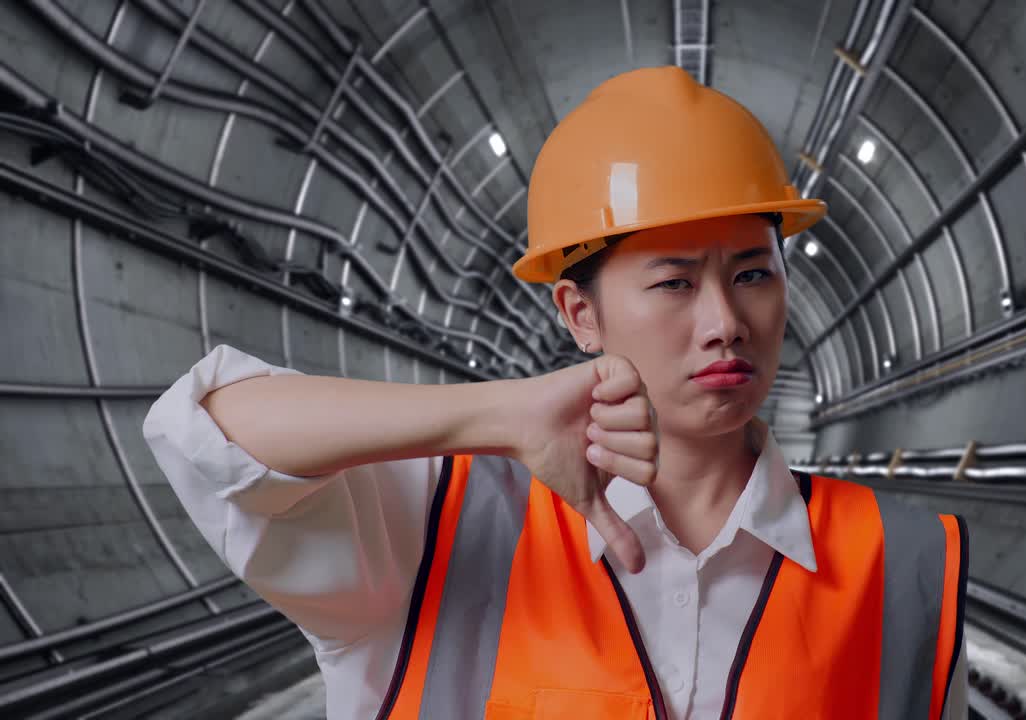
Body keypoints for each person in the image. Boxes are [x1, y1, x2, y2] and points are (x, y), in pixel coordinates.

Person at [144, 66, 968, 720]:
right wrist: (495, 412)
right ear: (579, 314)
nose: (726, 322)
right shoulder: (433, 529)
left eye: (753, 273)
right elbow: (204, 430)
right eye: (675, 283)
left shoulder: (903, 566)